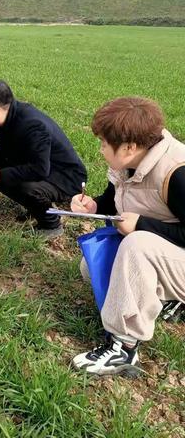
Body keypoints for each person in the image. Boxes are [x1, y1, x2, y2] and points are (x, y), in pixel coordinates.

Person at [71, 97, 185, 376]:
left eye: (104, 144)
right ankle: (166, 299)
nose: (100, 150)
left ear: (129, 147)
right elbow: (116, 200)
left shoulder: (176, 172)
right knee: (92, 266)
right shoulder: (129, 162)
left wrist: (143, 225)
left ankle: (123, 347)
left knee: (137, 244)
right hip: (170, 250)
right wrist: (95, 205)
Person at [0, 80, 87, 239]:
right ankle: (36, 208)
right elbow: (2, 148)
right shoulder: (8, 118)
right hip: (46, 168)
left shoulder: (33, 125)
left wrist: (0, 174)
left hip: (66, 176)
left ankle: (51, 224)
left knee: (23, 186)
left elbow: (39, 169)